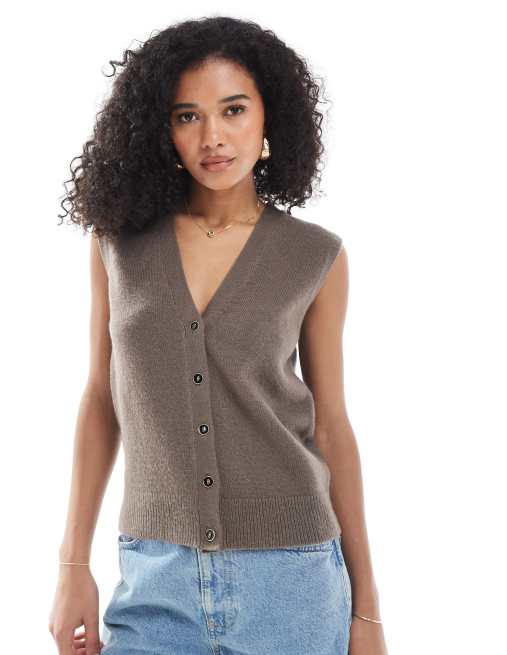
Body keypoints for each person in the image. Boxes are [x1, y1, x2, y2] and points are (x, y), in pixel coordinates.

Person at [49, 15, 388, 655]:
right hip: (154, 579)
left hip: (293, 581)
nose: (213, 137)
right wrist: (73, 566)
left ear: (268, 117)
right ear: (162, 129)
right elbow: (100, 399)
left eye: (233, 110)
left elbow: (332, 427)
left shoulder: (315, 256)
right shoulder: (118, 243)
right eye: (188, 116)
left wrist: (366, 613)